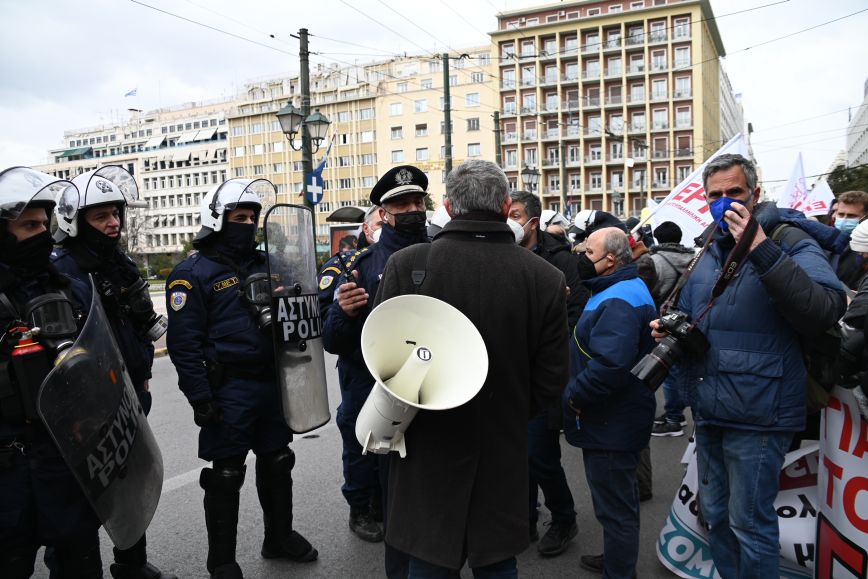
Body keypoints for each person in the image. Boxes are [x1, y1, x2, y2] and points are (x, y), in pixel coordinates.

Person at [653, 154, 845, 578]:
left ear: (755, 195)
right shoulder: (707, 248)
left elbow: (824, 308)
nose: (724, 202)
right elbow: (695, 313)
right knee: (716, 516)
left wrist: (761, 248)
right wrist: (672, 330)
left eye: (734, 193)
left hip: (760, 412)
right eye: (714, 196)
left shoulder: (790, 239)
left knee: (749, 523)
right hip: (709, 406)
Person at [374, 160, 569, 577]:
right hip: (502, 449)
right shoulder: (545, 277)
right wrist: (508, 411)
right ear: (504, 206)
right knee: (497, 563)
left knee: (428, 561)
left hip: (425, 448)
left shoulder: (407, 265)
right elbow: (551, 379)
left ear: (447, 205)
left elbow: (384, 360)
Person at [165, 178, 317, 579]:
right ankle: (221, 560)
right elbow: (184, 345)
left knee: (278, 461)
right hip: (227, 388)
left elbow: (298, 315)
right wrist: (201, 398)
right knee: (225, 474)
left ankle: (278, 537)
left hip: (271, 383)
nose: (248, 224)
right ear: (217, 219)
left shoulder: (268, 264)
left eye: (252, 218)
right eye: (239, 217)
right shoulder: (191, 274)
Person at [51, 166, 173, 579]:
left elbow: (139, 322)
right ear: (75, 220)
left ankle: (131, 565)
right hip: (85, 403)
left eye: (116, 213)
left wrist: (141, 366)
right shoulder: (61, 270)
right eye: (100, 215)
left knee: (129, 478)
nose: (113, 222)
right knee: (79, 500)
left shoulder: (118, 263)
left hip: (129, 390)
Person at [321, 165, 429, 571]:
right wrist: (345, 315)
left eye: (418, 202)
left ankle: (408, 513)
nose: (412, 210)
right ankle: (363, 508)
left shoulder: (440, 253)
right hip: (367, 383)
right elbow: (333, 340)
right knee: (364, 445)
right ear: (383, 213)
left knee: (417, 454)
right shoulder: (361, 264)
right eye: (402, 204)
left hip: (422, 377)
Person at [0, 167, 103, 577]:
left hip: (63, 456)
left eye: (44, 223)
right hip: (8, 466)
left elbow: (97, 356)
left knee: (80, 557)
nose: (41, 233)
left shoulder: (68, 286)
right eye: (28, 225)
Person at [561, 227, 657, 578]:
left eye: (588, 252)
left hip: (610, 420)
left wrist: (572, 397)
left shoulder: (618, 297)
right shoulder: (620, 288)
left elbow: (610, 365)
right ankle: (618, 558)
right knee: (617, 503)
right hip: (616, 418)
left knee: (616, 507)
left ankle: (620, 570)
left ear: (611, 260)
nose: (581, 258)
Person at [507, 191, 583, 556]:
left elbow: (572, 318)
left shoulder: (561, 260)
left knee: (541, 454)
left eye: (516, 213)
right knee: (517, 455)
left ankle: (564, 518)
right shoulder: (503, 252)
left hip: (542, 375)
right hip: (507, 374)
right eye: (507, 211)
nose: (510, 219)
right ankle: (525, 518)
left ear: (533, 222)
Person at [647, 221, 696, 438]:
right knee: (682, 367)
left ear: (657, 238)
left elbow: (652, 290)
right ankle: (677, 413)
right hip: (687, 318)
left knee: (669, 371)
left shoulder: (654, 261)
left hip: (666, 320)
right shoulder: (693, 259)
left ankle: (673, 419)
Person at [831, 190, 868, 290]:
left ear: (865, 218)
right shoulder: (825, 244)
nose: (844, 220)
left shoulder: (864, 250)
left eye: (851, 216)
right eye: (841, 214)